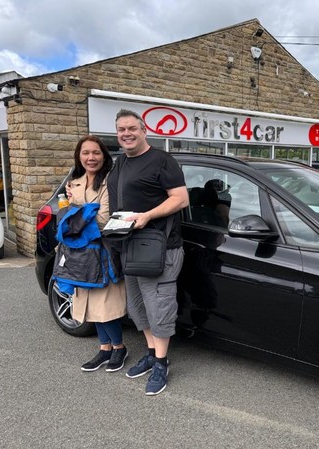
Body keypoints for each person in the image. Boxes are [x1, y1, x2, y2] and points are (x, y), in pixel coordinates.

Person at [107, 109, 189, 396]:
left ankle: (162, 363)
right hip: (128, 247)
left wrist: (147, 215)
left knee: (159, 307)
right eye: (121, 130)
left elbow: (180, 199)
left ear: (144, 130)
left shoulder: (162, 161)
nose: (126, 134)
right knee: (139, 308)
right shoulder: (119, 164)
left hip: (159, 247)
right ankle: (152, 353)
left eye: (132, 128)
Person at [66, 135, 128, 372]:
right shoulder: (75, 182)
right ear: (79, 156)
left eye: (96, 153)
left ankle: (119, 347)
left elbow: (103, 220)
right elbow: (70, 214)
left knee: (105, 303)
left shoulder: (110, 182)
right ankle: (104, 348)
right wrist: (83, 212)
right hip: (80, 254)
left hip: (103, 252)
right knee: (90, 303)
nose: (91, 158)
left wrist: (77, 213)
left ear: (104, 155)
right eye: (85, 153)